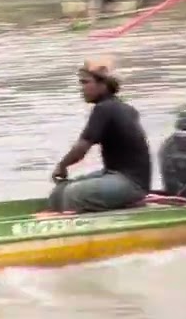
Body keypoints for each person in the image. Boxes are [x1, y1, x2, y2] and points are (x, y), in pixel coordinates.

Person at [48, 57, 152, 213]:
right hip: (114, 175)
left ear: (102, 85)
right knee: (60, 191)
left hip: (131, 183)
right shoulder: (118, 107)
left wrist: (62, 166)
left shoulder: (105, 109)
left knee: (72, 193)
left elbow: (81, 148)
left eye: (85, 83)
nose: (82, 88)